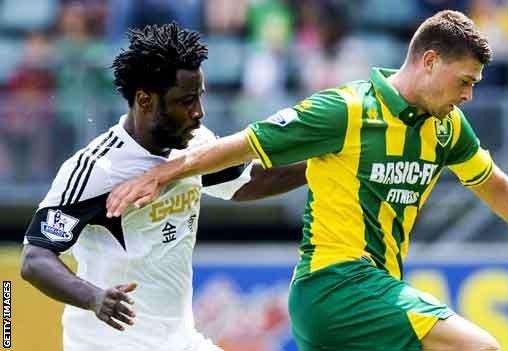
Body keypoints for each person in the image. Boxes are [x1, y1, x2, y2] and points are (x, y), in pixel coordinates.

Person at [105, 11, 508, 351]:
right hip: (337, 284)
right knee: (480, 348)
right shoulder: (346, 110)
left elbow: (495, 185)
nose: (468, 96)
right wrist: (163, 172)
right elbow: (246, 142)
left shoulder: (446, 128)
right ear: (430, 61)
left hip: (366, 294)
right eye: (464, 81)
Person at [20, 23, 306, 351]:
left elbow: (246, 182)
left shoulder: (196, 142)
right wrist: (95, 298)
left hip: (179, 341)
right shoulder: (98, 169)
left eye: (199, 96)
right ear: (145, 100)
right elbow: (35, 256)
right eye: (185, 101)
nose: (199, 112)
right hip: (108, 345)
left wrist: (319, 167)